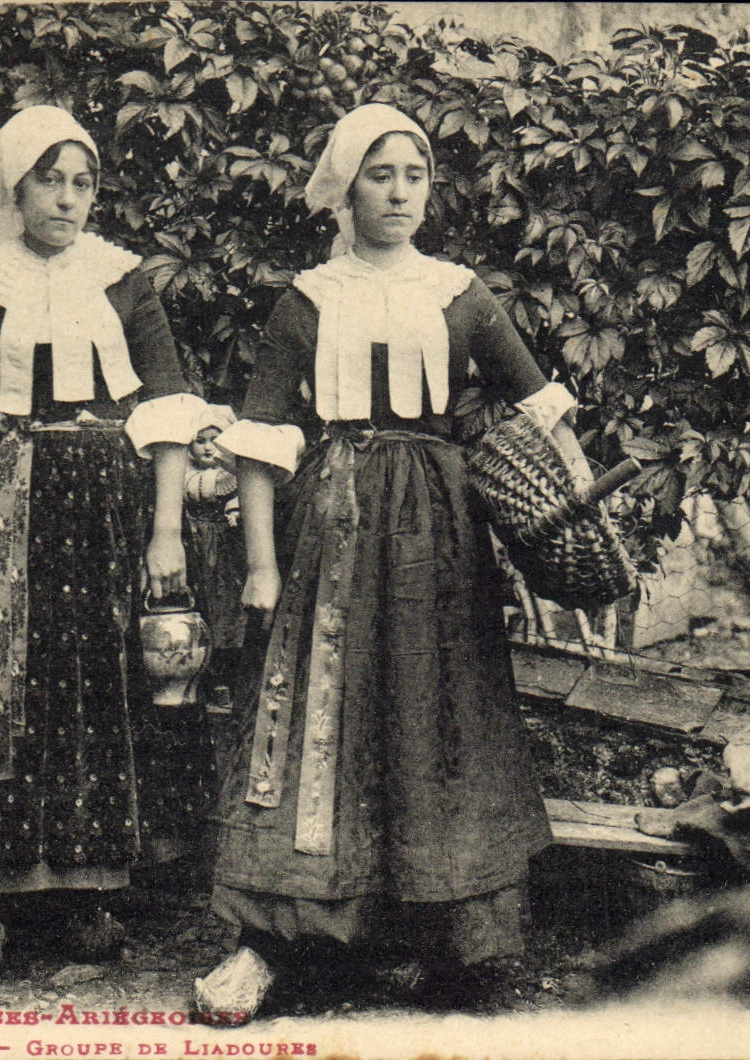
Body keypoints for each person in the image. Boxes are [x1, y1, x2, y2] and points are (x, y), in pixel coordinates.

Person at [194, 104, 592, 1022]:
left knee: (438, 710)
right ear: (345, 187)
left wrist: (574, 507)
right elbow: (260, 441)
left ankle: (455, 946)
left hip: (439, 536)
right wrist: (260, 566)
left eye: (415, 175)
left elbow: (539, 405)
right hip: (328, 530)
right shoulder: (306, 299)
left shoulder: (460, 294)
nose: (400, 193)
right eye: (380, 175)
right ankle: (277, 941)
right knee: (315, 713)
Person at [0, 105, 209, 982]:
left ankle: (87, 890)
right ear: (15, 188)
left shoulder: (123, 281)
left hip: (106, 504)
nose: (67, 199)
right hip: (3, 502)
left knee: (96, 680)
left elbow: (166, 409)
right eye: (49, 181)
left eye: (82, 183)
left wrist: (164, 531)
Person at [184, 404, 245, 714]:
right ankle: (195, 676)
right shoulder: (184, 475)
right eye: (200, 441)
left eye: (214, 440)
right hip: (192, 544)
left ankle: (223, 678)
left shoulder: (229, 475)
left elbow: (239, 497)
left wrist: (235, 512)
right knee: (197, 605)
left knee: (224, 608)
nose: (208, 447)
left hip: (222, 547)